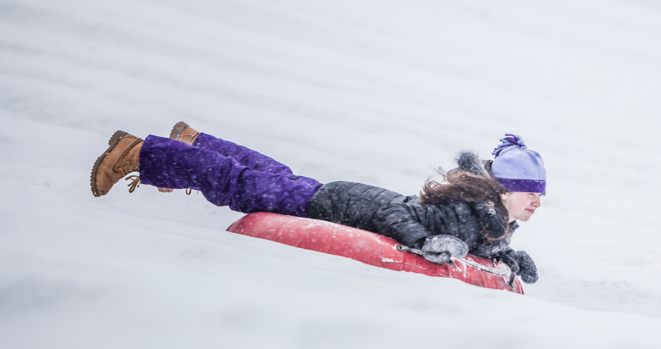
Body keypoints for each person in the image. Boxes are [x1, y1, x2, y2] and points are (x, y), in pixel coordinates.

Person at [90, 123, 545, 283]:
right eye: (531, 193)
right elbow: (397, 215)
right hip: (331, 205)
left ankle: (192, 142)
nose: (537, 203)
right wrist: (423, 240)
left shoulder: (487, 221)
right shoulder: (467, 213)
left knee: (268, 178)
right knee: (239, 186)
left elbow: (475, 245)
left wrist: (509, 256)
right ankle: (139, 155)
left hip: (337, 197)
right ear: (502, 191)